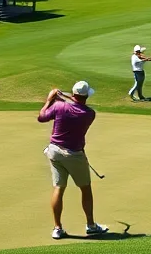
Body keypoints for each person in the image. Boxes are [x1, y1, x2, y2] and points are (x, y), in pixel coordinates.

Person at [38, 80, 108, 240]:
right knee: (85, 188)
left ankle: (57, 228)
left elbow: (41, 117)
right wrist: (63, 97)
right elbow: (76, 104)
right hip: (74, 155)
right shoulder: (89, 114)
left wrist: (50, 100)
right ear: (86, 96)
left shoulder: (58, 106)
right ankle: (90, 226)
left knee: (58, 188)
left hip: (54, 151)